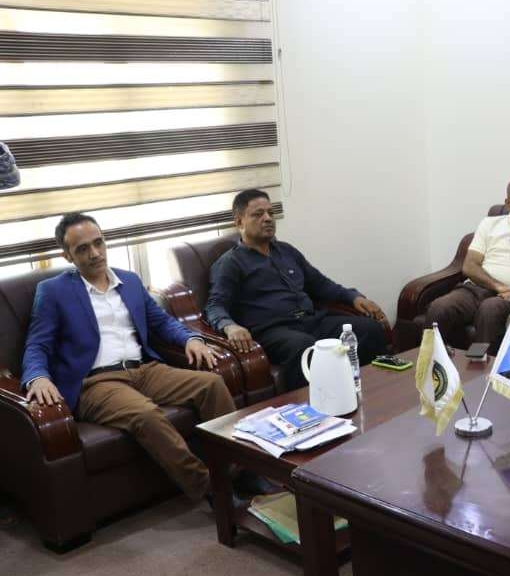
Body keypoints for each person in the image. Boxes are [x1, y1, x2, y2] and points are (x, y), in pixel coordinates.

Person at [22, 213, 234, 502]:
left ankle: (238, 470)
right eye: (82, 248)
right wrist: (38, 377)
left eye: (98, 243)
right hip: (97, 383)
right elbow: (37, 344)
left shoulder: (130, 280)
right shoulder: (53, 291)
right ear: (68, 255)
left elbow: (162, 322)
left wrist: (191, 339)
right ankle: (212, 488)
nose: (95, 253)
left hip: (145, 370)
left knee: (212, 384)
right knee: (146, 415)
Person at [205, 189, 388, 390]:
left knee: (368, 329)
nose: (268, 218)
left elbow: (321, 284)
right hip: (274, 331)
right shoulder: (230, 263)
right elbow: (215, 305)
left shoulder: (287, 251)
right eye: (258, 214)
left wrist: (354, 298)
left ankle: (371, 392)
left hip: (311, 321)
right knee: (304, 345)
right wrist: (230, 326)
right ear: (239, 222)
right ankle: (312, 405)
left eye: (271, 213)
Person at [425, 177, 510, 353]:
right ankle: (431, 363)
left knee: (489, 310)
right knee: (440, 308)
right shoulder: (489, 224)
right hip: (475, 289)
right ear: (508, 203)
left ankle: (482, 368)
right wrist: (499, 286)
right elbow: (470, 265)